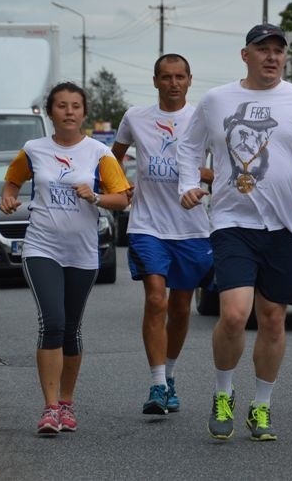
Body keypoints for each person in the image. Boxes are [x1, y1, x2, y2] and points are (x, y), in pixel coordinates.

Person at [177, 23, 292, 441]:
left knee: (273, 321)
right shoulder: (217, 100)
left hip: (282, 226)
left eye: (278, 50)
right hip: (232, 222)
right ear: (245, 55)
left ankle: (261, 406)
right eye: (262, 49)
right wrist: (188, 185)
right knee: (233, 315)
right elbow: (189, 148)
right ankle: (223, 393)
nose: (272, 57)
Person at [0, 81, 130, 435]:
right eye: (61, 105)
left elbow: (122, 198)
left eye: (75, 106)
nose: (69, 111)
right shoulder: (33, 149)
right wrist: (8, 197)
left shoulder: (99, 154)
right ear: (50, 112)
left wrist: (96, 197)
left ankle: (68, 403)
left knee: (71, 329)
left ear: (84, 113)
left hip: (83, 252)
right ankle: (50, 408)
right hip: (42, 247)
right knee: (52, 322)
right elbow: (12, 181)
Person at [111, 54, 213, 416]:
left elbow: (226, 168)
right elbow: (114, 157)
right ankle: (156, 384)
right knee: (156, 299)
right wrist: (121, 187)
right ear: (155, 81)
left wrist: (201, 177)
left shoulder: (204, 117)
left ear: (189, 80)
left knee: (182, 307)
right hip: (148, 225)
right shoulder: (135, 117)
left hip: (192, 228)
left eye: (180, 77)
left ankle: (169, 376)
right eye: (166, 77)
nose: (173, 83)